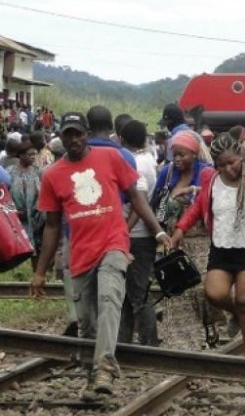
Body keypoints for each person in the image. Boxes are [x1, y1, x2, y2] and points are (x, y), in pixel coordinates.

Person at [30, 112, 172, 397]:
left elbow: (136, 197)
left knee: (110, 299)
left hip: (113, 244)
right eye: (68, 134)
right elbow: (53, 226)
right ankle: (92, 376)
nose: (74, 140)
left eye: (78, 133)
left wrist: (158, 231)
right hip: (81, 253)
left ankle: (105, 368)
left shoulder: (111, 159)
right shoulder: (53, 175)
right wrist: (40, 271)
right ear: (61, 136)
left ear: (86, 133)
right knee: (86, 322)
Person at [171, 133, 245, 416]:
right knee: (214, 293)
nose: (227, 169)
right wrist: (179, 230)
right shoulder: (211, 179)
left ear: (242, 158)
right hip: (223, 247)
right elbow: (198, 209)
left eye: (231, 163)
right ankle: (240, 316)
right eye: (221, 165)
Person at [120, 120, 160, 346]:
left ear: (122, 140)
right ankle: (124, 342)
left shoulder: (132, 162)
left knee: (138, 295)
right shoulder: (149, 160)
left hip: (135, 234)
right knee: (129, 294)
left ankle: (149, 343)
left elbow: (139, 201)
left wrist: (123, 230)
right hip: (143, 233)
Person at [150, 131, 209, 233]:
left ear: (194, 154)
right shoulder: (168, 172)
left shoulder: (205, 172)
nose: (177, 159)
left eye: (182, 155)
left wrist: (190, 189)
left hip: (198, 239)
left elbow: (213, 192)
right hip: (170, 236)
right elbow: (155, 200)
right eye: (175, 155)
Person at [8, 140, 43, 267]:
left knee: (36, 246)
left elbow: (42, 193)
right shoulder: (11, 171)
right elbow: (5, 192)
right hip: (16, 216)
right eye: (30, 154)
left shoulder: (37, 172)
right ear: (21, 155)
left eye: (35, 154)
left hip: (34, 216)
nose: (33, 157)